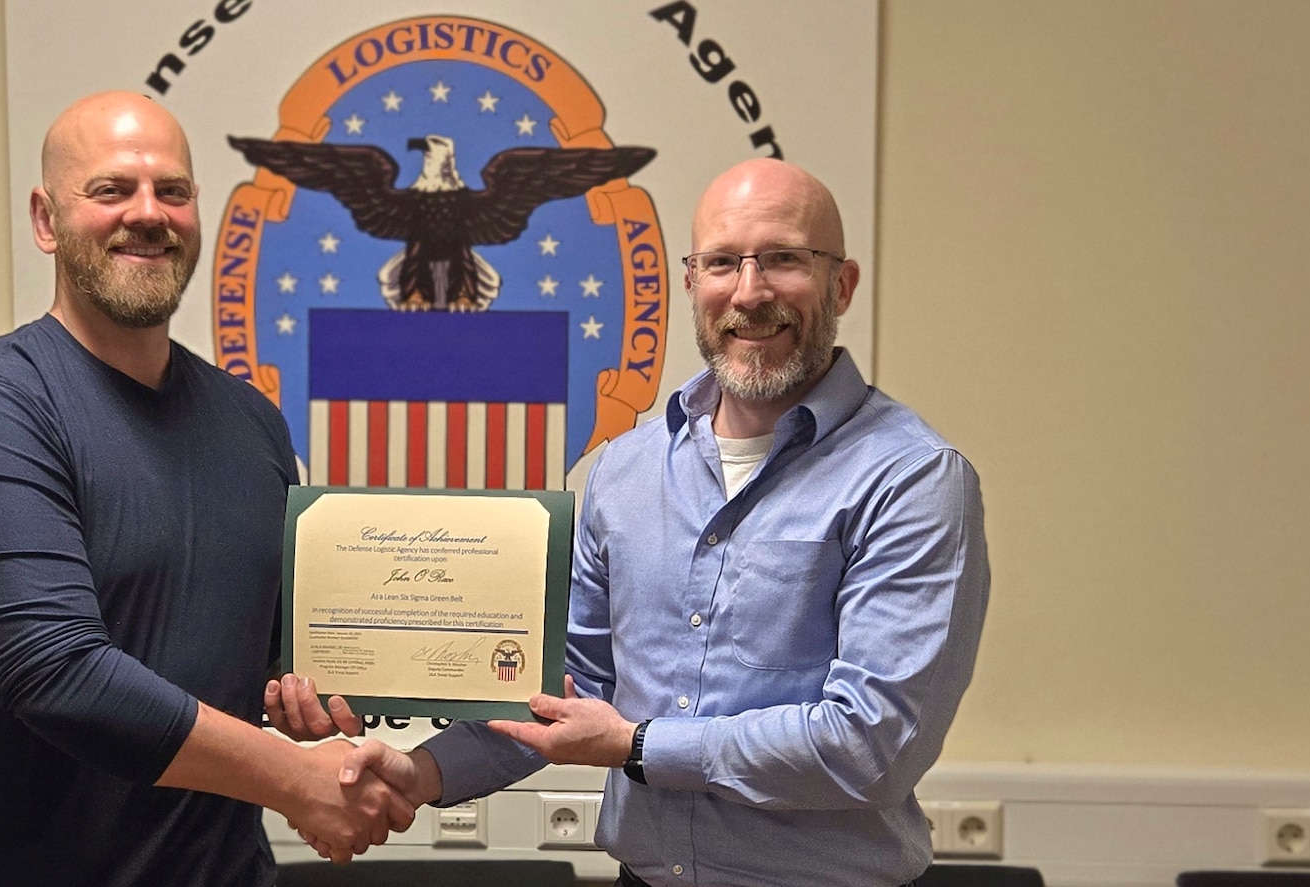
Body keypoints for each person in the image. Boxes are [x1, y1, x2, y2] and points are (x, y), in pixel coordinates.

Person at [281, 158, 990, 886]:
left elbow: (873, 746)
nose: (749, 291)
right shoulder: (625, 470)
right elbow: (571, 687)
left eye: (783, 259)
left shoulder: (912, 477)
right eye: (721, 263)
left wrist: (639, 745)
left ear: (841, 284)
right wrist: (419, 770)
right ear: (691, 283)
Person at [0, 91, 410, 887]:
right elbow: (58, 673)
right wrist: (295, 777)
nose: (149, 214)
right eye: (111, 190)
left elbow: (277, 656)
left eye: (173, 191)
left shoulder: (251, 423)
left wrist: (322, 691)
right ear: (45, 219)